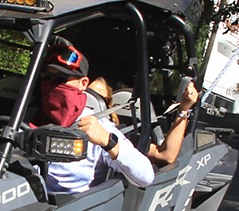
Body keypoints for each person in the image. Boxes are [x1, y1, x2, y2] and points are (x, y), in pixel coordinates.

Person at [32, 45, 155, 194]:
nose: (52, 84)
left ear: (83, 83)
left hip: (69, 210)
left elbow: (146, 176)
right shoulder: (27, 119)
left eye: (61, 78)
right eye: (46, 77)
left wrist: (107, 141)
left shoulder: (98, 126)